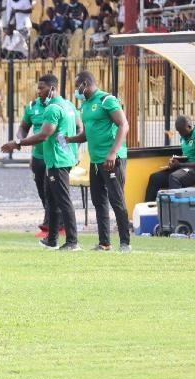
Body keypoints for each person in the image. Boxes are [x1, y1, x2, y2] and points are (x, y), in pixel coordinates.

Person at [1, 74, 80, 251]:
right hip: (58, 158)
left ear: (52, 88)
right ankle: (51, 239)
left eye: (42, 88)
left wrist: (17, 143)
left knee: (63, 200)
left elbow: (44, 134)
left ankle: (72, 241)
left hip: (57, 160)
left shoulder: (53, 108)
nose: (38, 92)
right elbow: (70, 130)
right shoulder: (67, 105)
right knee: (51, 200)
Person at [66, 71, 131, 252]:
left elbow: (124, 124)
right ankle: (104, 243)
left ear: (85, 84)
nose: (76, 91)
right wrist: (69, 139)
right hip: (95, 161)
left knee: (116, 199)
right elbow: (87, 134)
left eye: (77, 86)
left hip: (111, 159)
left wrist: (113, 153)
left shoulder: (107, 100)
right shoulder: (85, 105)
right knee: (99, 201)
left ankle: (125, 242)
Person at [145, 116, 195, 201]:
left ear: (189, 126)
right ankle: (148, 211)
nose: (180, 134)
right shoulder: (183, 138)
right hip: (186, 169)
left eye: (182, 131)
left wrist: (180, 164)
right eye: (179, 131)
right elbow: (187, 157)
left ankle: (177, 211)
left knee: (174, 177)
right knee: (155, 178)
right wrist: (175, 162)